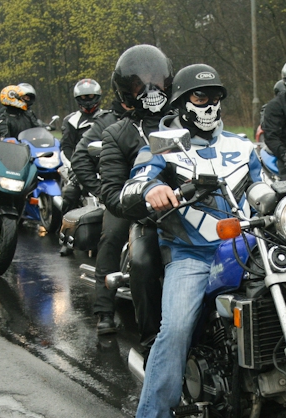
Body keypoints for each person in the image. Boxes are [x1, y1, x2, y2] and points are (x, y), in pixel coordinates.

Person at [120, 63, 262, 418]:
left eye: (215, 97)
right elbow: (137, 182)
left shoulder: (242, 146)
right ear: (182, 104)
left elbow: (263, 185)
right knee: (176, 328)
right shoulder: (161, 146)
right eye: (200, 98)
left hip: (247, 247)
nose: (210, 105)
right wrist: (154, 189)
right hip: (192, 254)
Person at [94, 45, 171, 340]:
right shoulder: (117, 132)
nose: (151, 89)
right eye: (140, 83)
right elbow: (112, 192)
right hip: (136, 207)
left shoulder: (184, 121)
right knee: (118, 240)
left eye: (156, 79)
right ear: (127, 89)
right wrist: (140, 200)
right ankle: (112, 314)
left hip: (187, 203)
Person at [59, 90, 124, 257]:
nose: (87, 101)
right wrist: (72, 166)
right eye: (82, 98)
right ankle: (67, 236)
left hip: (104, 163)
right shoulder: (72, 120)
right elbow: (67, 146)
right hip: (86, 163)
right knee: (70, 192)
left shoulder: (106, 116)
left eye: (89, 97)